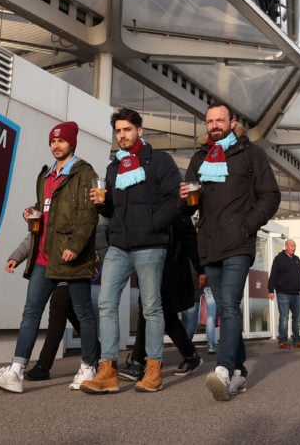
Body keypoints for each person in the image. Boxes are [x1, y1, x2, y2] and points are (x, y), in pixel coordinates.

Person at [0, 121, 99, 393]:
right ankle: (16, 371)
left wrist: (76, 246)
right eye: (53, 141)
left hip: (73, 258)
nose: (57, 145)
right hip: (43, 259)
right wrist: (23, 241)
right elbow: (44, 215)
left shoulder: (84, 173)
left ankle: (89, 366)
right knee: (30, 314)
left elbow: (88, 217)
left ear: (72, 144)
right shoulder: (45, 176)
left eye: (62, 141)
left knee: (83, 314)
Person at [178, 102, 280, 401]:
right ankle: (240, 373)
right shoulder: (199, 158)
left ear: (232, 122)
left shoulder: (250, 154)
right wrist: (185, 199)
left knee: (230, 305)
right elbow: (188, 206)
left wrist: (247, 225)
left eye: (220, 120)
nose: (214, 125)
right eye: (209, 121)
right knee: (225, 306)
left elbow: (271, 194)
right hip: (208, 245)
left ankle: (222, 369)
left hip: (238, 242)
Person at [80, 108, 181, 394]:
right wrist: (102, 203)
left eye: (127, 129)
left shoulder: (159, 161)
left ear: (140, 130)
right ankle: (107, 370)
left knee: (150, 307)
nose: (122, 135)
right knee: (106, 302)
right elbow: (112, 208)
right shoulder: (114, 167)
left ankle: (153, 369)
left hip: (150, 244)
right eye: (118, 131)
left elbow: (176, 198)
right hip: (119, 245)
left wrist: (153, 223)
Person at [118, 212, 206, 382]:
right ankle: (190, 355)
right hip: (151, 265)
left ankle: (138, 362)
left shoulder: (175, 209)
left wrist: (200, 269)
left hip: (171, 269)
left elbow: (189, 237)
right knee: (165, 313)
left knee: (150, 308)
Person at [3, 237, 83, 380]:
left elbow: (88, 230)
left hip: (67, 266)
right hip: (44, 265)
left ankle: (43, 366)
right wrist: (17, 256)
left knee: (59, 310)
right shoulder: (43, 213)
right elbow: (35, 236)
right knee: (66, 312)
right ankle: (97, 353)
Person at [268, 239, 300, 349]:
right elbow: (273, 275)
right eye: (291, 246)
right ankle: (283, 341)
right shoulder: (279, 259)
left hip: (297, 294)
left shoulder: (297, 259)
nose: (294, 248)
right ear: (286, 246)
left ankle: (297, 340)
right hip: (283, 293)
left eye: (295, 246)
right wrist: (270, 290)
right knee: (284, 318)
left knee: (298, 318)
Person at [183, 284, 217, 353]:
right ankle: (211, 346)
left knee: (188, 319)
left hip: (199, 289)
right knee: (211, 317)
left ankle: (185, 345)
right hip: (212, 286)